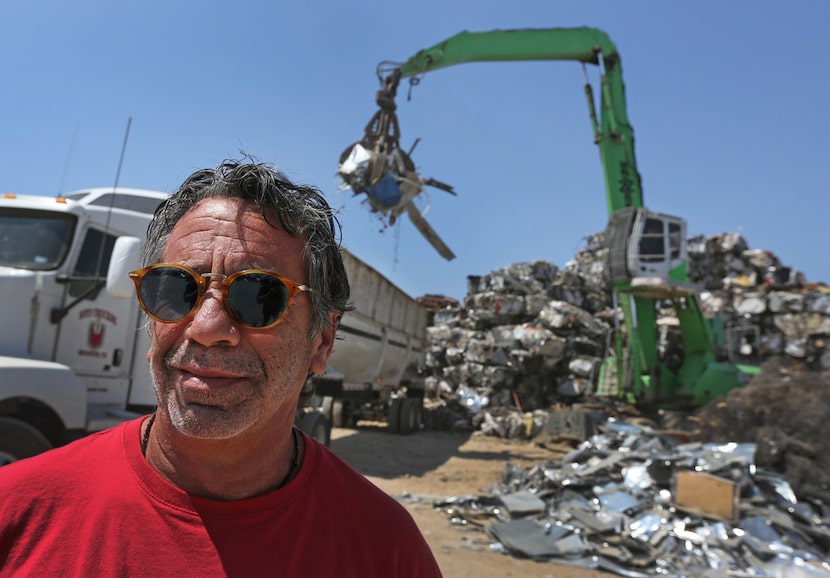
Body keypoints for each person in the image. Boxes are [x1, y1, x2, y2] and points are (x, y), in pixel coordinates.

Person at [0, 159, 443, 577]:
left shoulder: (385, 550)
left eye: (259, 296)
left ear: (322, 341)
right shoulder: (16, 513)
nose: (208, 327)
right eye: (176, 289)